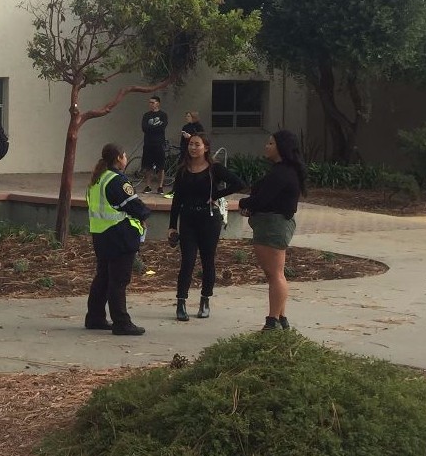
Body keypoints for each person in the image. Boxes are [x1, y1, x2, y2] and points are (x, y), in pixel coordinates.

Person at [167, 133, 247, 321]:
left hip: (209, 219)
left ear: (206, 147)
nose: (193, 148)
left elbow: (239, 183)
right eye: (190, 145)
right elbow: (176, 199)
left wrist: (217, 195)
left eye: (197, 144)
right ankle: (181, 302)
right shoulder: (182, 170)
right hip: (188, 218)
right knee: (187, 261)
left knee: (207, 260)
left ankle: (205, 300)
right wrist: (172, 225)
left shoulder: (214, 169)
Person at [238, 129, 307, 331]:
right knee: (275, 274)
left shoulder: (282, 173)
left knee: (275, 274)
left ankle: (272, 320)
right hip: (271, 224)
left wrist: (244, 202)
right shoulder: (283, 170)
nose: (266, 146)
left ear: (281, 147)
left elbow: (262, 199)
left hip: (273, 226)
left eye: (270, 143)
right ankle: (281, 317)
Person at [85, 143, 151, 336]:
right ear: (119, 158)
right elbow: (133, 205)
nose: (125, 158)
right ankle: (121, 322)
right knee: (118, 280)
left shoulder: (98, 179)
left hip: (101, 235)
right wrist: (146, 214)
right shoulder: (116, 180)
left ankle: (95, 317)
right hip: (119, 236)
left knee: (103, 278)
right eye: (124, 155)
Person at [140, 95, 169, 195]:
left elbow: (162, 127)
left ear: (158, 103)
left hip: (159, 144)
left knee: (161, 167)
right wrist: (154, 128)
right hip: (148, 144)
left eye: (153, 102)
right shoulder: (146, 115)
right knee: (148, 166)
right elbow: (144, 128)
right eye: (150, 102)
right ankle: (148, 186)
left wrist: (151, 128)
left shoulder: (163, 115)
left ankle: (160, 187)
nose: (151, 104)